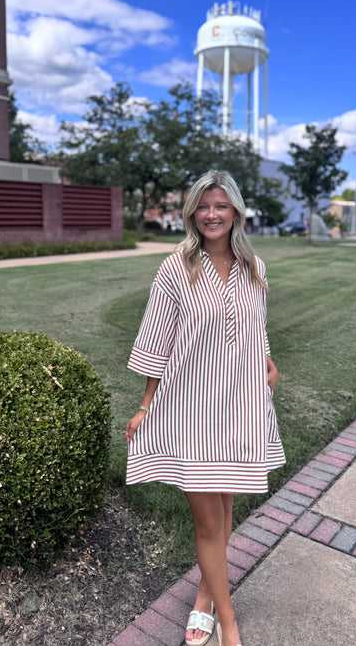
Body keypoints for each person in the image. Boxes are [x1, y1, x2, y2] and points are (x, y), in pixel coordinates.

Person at [125, 170, 285, 646]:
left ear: (235, 210)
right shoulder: (177, 267)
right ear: (192, 211)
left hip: (241, 403)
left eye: (221, 205)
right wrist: (146, 403)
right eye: (203, 205)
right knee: (208, 520)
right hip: (192, 407)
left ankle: (203, 594)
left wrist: (269, 362)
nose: (211, 214)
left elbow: (254, 326)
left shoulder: (253, 267)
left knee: (227, 502)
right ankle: (228, 624)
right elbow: (158, 338)